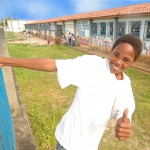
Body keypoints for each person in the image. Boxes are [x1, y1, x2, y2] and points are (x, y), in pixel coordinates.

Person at [0, 34, 142, 150]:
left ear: (133, 62)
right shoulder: (92, 65)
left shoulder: (125, 83)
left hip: (90, 146)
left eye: (126, 60)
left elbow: (124, 109)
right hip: (67, 142)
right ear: (112, 50)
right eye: (116, 54)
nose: (117, 62)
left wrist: (123, 122)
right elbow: (53, 65)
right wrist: (6, 61)